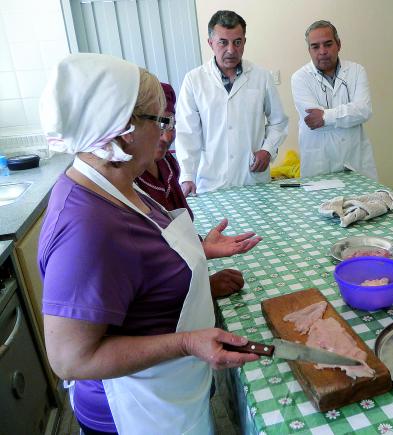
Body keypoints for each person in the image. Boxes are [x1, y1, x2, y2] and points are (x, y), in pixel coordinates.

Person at [38, 53, 258, 435]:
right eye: (159, 121)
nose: (165, 133)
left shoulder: (120, 183)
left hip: (171, 394)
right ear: (125, 131)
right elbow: (71, 359)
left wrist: (199, 253)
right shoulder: (87, 227)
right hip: (135, 414)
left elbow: (144, 267)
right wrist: (187, 343)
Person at [135, 82, 261, 298]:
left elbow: (177, 234)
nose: (167, 137)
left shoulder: (167, 164)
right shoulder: (127, 184)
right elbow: (147, 265)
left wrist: (202, 245)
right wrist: (203, 288)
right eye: (158, 124)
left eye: (170, 123)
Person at [175, 10, 288, 195]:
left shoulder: (261, 77)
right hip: (211, 183)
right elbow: (187, 132)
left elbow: (279, 121)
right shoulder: (194, 80)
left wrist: (267, 150)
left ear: (244, 42)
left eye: (237, 42)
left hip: (253, 180)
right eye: (223, 42)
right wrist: (187, 176)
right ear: (210, 43)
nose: (231, 50)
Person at [291, 20, 377, 179]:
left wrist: (325, 116)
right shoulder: (300, 78)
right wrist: (349, 114)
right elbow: (312, 121)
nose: (322, 51)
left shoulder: (357, 71)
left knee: (363, 195)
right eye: (315, 46)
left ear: (339, 44)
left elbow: (364, 110)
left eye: (328, 44)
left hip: (355, 159)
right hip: (319, 164)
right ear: (309, 50)